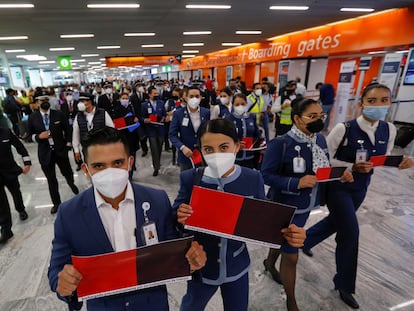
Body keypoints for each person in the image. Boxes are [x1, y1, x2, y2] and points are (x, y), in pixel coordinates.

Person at [48, 127, 206, 311]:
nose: (110, 172)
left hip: (152, 304)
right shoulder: (69, 214)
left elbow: (170, 249)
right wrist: (63, 284)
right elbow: (57, 269)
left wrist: (190, 261)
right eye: (99, 166)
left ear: (130, 162)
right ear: (86, 169)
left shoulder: (157, 200)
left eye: (117, 163)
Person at [173, 118, 306, 311]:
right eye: (208, 149)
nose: (216, 154)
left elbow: (264, 222)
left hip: (237, 265)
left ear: (237, 147)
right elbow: (173, 219)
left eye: (224, 147)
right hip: (202, 268)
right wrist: (179, 217)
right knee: (191, 306)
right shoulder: (191, 179)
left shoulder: (252, 178)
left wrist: (289, 235)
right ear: (200, 150)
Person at [302, 83, 413, 309]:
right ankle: (344, 284)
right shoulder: (343, 129)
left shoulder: (389, 130)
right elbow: (324, 160)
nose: (378, 105)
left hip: (361, 187)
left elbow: (382, 158)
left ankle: (306, 239)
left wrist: (400, 163)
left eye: (384, 100)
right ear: (361, 103)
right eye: (372, 101)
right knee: (350, 232)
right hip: (338, 186)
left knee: (338, 222)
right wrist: (351, 167)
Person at [261, 98, 353, 311]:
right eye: (312, 116)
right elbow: (265, 175)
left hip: (305, 206)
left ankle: (269, 263)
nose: (319, 119)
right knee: (291, 256)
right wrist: (296, 182)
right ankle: (291, 301)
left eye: (321, 115)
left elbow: (323, 169)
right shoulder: (281, 144)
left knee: (282, 242)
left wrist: (340, 175)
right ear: (296, 118)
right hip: (284, 208)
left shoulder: (320, 140)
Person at [28, 95, 79, 214]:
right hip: (45, 153)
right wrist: (38, 137)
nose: (45, 102)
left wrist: (68, 143)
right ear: (37, 103)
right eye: (42, 101)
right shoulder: (33, 117)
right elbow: (29, 136)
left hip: (60, 150)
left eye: (46, 100)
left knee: (67, 172)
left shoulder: (58, 114)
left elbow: (68, 130)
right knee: (51, 180)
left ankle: (71, 183)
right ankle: (56, 203)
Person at [0, 127, 31, 244]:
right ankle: (6, 229)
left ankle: (21, 209)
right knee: (1, 202)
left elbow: (20, 146)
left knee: (16, 192)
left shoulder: (6, 132)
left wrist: (27, 162)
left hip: (9, 170)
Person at [169, 87, 210, 172]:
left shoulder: (206, 112)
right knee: (186, 180)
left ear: (200, 98)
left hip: (203, 154)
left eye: (197, 96)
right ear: (186, 98)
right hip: (186, 154)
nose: (194, 99)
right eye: (191, 96)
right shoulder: (178, 113)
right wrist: (182, 147)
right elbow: (172, 135)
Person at [72, 93, 114, 171]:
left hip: (102, 147)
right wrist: (76, 150)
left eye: (83, 101)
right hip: (87, 149)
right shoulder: (78, 116)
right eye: (80, 101)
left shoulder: (102, 113)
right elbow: (75, 134)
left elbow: (112, 129)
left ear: (90, 101)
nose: (80, 104)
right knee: (92, 169)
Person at [226, 93, 262, 169]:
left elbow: (257, 135)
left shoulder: (252, 117)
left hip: (250, 157)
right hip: (235, 158)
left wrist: (261, 144)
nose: (240, 106)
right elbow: (225, 138)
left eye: (243, 104)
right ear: (232, 105)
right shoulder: (228, 119)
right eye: (237, 104)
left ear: (246, 104)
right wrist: (236, 144)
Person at [141, 86, 166, 176]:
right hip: (151, 130)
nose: (156, 95)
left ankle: (157, 162)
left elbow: (165, 114)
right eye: (154, 93)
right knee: (154, 148)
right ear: (149, 94)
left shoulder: (161, 103)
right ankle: (156, 167)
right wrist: (145, 120)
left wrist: (164, 118)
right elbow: (142, 117)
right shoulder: (144, 105)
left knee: (159, 148)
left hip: (160, 129)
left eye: (157, 93)